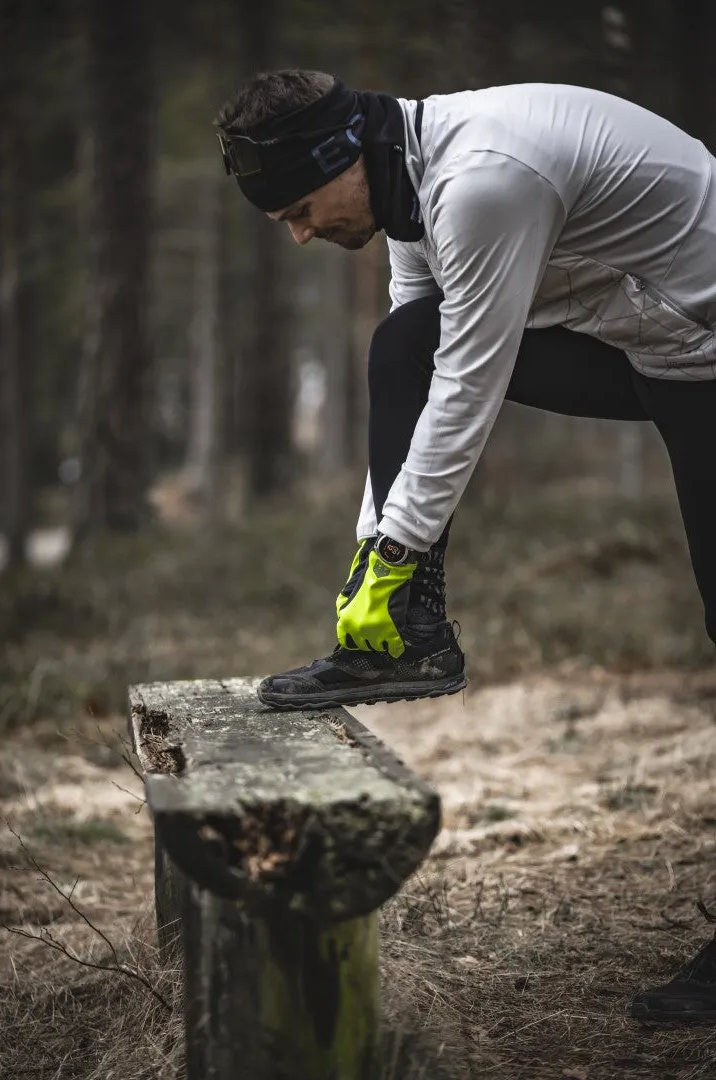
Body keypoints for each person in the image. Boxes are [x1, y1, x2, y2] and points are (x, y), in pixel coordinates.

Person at [214, 70, 716, 1024]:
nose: (300, 232)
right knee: (404, 339)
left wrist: (397, 551)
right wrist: (374, 560)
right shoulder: (407, 185)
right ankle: (410, 634)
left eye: (301, 207)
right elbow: (418, 365)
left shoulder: (482, 180)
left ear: (340, 159)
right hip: (657, 345)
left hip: (703, 339)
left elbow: (467, 392)